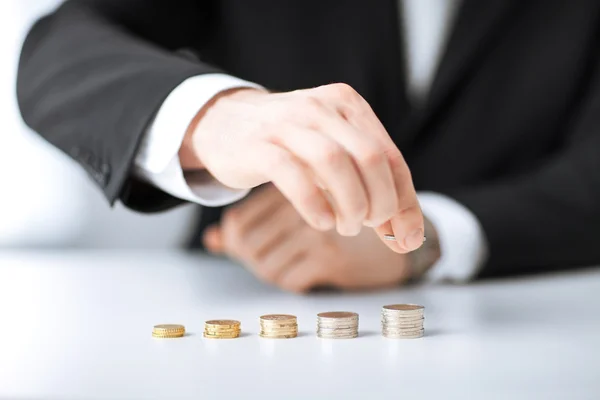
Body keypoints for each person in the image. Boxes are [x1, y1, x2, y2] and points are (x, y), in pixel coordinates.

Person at [17, 0, 600, 293]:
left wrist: (429, 240)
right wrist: (215, 117)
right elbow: (62, 45)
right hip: (243, 308)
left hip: (531, 309)